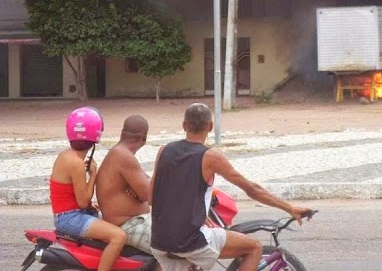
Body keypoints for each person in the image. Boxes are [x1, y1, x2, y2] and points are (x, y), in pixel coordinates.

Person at [149, 103, 313, 271]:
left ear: (184, 125)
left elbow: (151, 196)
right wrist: (290, 208)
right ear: (210, 127)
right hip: (189, 241)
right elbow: (252, 190)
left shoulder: (164, 150)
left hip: (159, 240)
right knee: (254, 247)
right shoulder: (210, 157)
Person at [50, 107, 127, 271]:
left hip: (69, 214)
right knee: (118, 237)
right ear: (95, 137)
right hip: (70, 218)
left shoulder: (65, 155)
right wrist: (93, 175)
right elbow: (83, 201)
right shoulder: (76, 163)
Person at [96, 115, 154, 256]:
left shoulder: (120, 153)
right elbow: (149, 194)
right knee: (178, 244)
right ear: (144, 139)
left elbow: (146, 186)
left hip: (134, 221)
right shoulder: (123, 156)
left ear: (122, 134)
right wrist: (143, 191)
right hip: (128, 225)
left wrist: (140, 188)